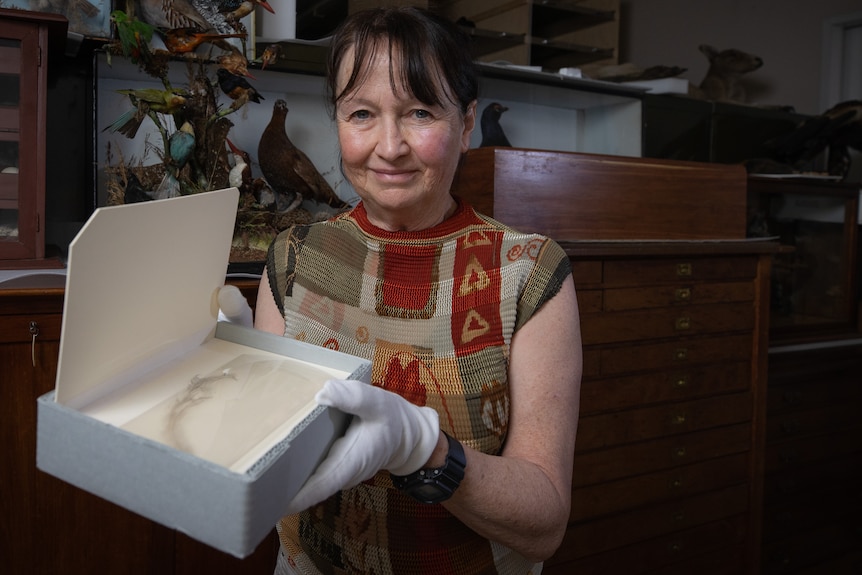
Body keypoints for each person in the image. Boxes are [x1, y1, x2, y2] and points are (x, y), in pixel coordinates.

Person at [250, 6, 582, 574]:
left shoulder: (528, 272)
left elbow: (545, 524)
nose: (390, 146)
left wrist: (428, 454)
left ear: (468, 122)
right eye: (361, 113)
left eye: (420, 112)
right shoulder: (293, 259)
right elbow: (265, 465)